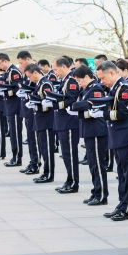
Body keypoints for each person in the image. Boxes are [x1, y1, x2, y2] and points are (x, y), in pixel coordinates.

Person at [90, 61, 128, 220]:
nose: (101, 82)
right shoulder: (115, 88)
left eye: (103, 78)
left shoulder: (124, 88)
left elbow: (124, 112)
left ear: (112, 73)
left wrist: (103, 114)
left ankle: (126, 209)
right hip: (117, 135)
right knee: (122, 173)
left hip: (127, 136)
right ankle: (121, 204)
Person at [42, 57, 81, 193]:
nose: (55, 72)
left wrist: (54, 104)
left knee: (70, 154)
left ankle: (73, 182)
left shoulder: (71, 81)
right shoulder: (65, 80)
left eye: (56, 69)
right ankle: (69, 180)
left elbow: (71, 100)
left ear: (64, 67)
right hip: (62, 122)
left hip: (69, 122)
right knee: (65, 154)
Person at [74, 65, 110, 206]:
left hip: (96, 131)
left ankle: (101, 195)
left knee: (97, 164)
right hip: (89, 130)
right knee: (92, 164)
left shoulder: (96, 88)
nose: (78, 83)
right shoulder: (87, 89)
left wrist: (78, 105)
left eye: (79, 80)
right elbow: (81, 104)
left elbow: (89, 105)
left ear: (86, 77)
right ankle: (95, 191)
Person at [24, 63, 55, 184]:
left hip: (46, 120)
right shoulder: (39, 83)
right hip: (40, 119)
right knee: (43, 148)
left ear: (36, 73)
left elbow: (48, 102)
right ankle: (45, 172)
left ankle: (49, 174)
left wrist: (36, 103)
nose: (29, 79)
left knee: (47, 149)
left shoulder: (45, 84)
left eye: (29, 76)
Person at [0, 53, 24, 167]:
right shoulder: (7, 72)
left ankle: (17, 158)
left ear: (5, 61)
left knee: (15, 133)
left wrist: (5, 92)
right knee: (12, 133)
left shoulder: (14, 71)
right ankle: (14, 156)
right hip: (9, 105)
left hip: (14, 106)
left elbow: (18, 88)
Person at [17, 51, 40, 175]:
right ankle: (32, 161)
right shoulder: (26, 73)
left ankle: (36, 162)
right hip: (27, 110)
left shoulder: (35, 72)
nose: (20, 65)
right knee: (30, 139)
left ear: (28, 59)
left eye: (21, 63)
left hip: (33, 111)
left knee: (34, 139)